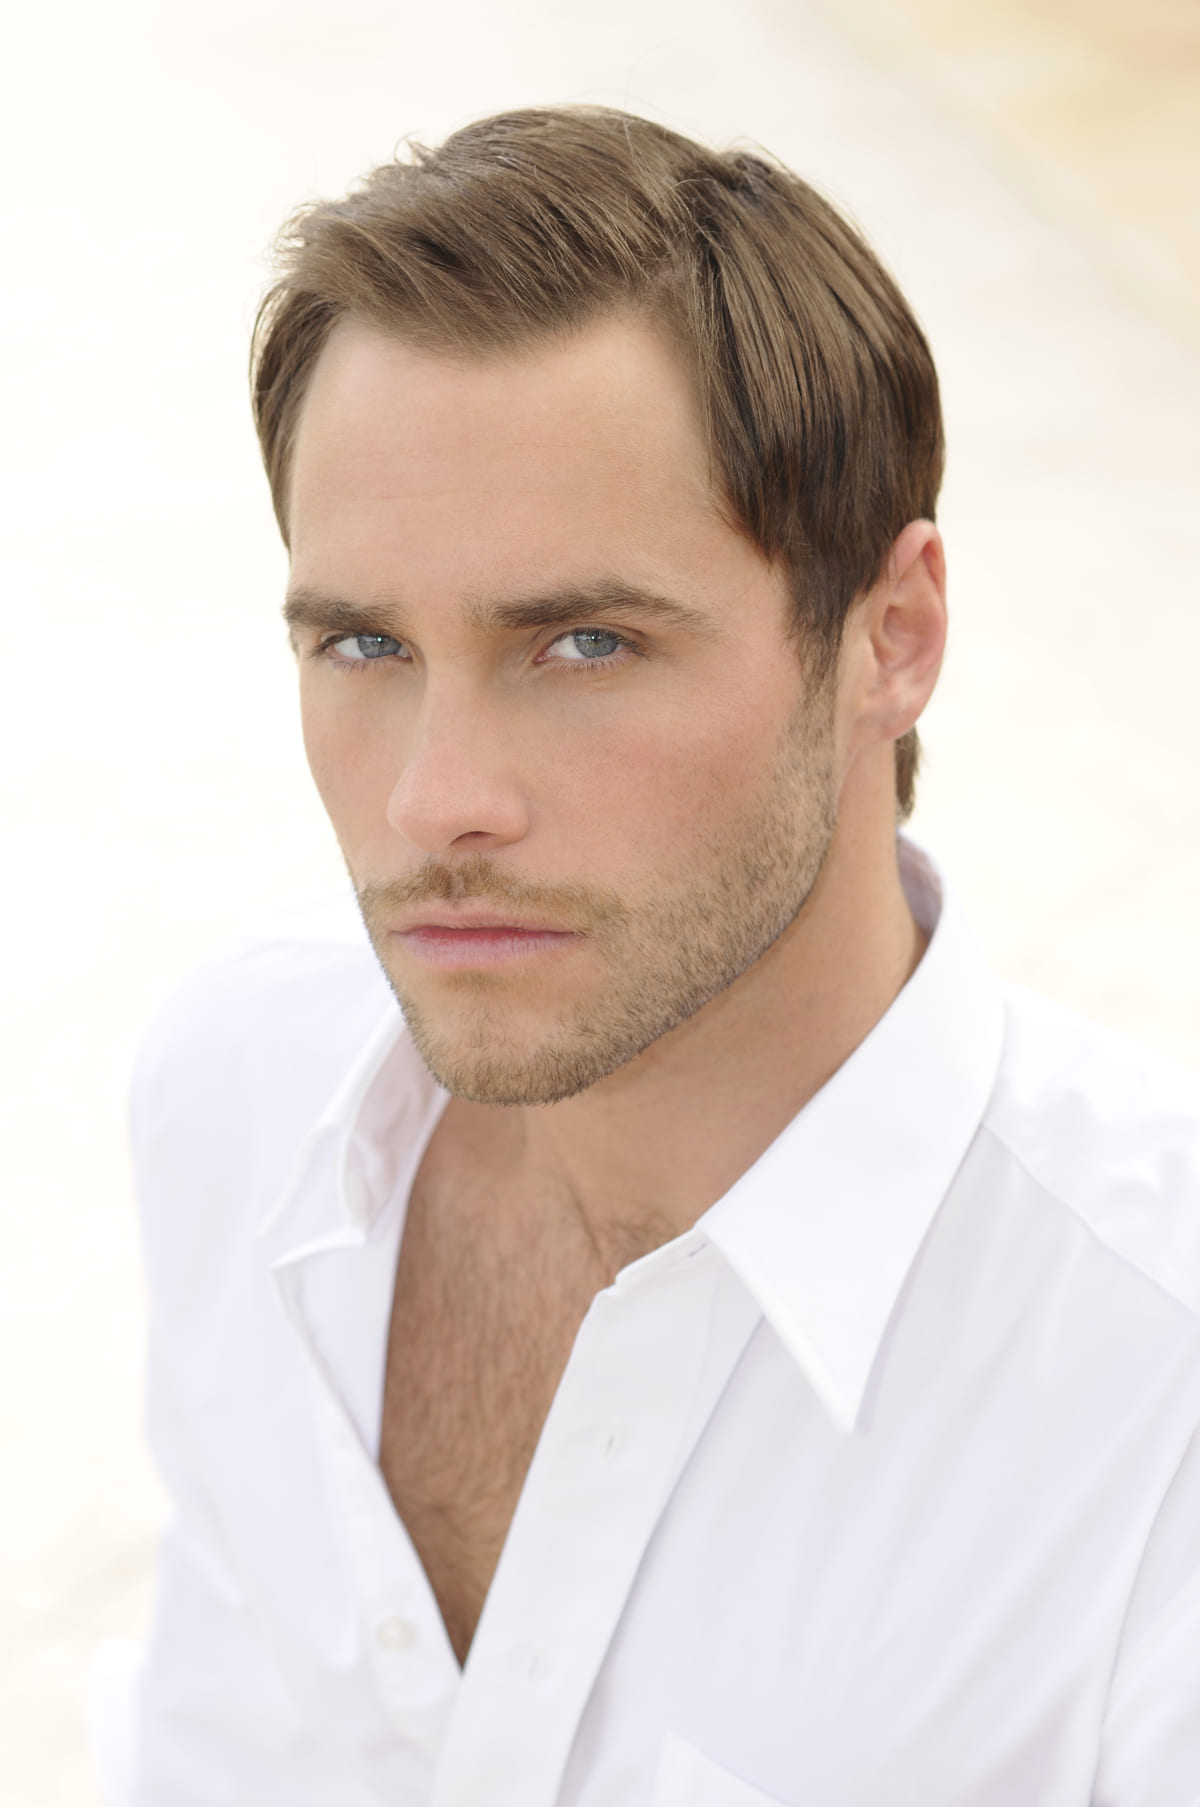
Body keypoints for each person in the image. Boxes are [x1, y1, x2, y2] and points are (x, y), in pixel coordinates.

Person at [110, 106, 1200, 1805]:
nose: (435, 801)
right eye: (366, 645)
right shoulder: (243, 1090)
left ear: (893, 637)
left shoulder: (1154, 1393)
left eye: (585, 644)